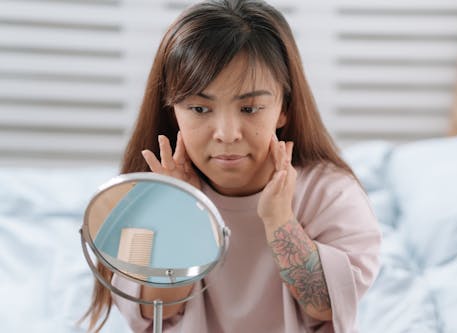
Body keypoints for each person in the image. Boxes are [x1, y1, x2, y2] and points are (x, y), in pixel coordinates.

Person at [83, 0, 381, 332]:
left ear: (284, 107)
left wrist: (280, 220)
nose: (226, 134)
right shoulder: (145, 196)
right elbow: (157, 310)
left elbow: (327, 308)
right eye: (199, 109)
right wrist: (182, 213)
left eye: (250, 108)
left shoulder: (331, 194)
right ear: (173, 111)